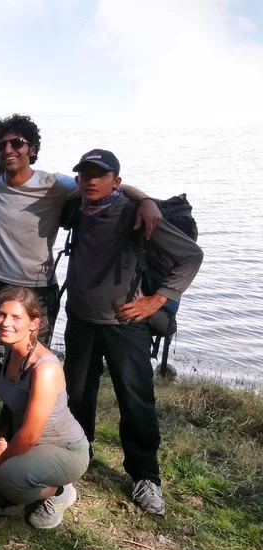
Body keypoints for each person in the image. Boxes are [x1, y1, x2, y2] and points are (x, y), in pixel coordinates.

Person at [0, 114, 161, 354]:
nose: (8, 149)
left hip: (38, 287)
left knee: (34, 356)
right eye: (1, 145)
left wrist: (145, 200)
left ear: (32, 149)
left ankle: (38, 392)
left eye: (17, 143)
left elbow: (107, 188)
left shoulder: (54, 184)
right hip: (1, 283)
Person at [63, 150, 202, 516]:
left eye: (100, 174)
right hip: (81, 321)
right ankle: (77, 458)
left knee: (136, 401)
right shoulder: (78, 208)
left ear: (116, 181)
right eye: (85, 174)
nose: (90, 180)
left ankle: (146, 476)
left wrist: (155, 301)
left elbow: (191, 256)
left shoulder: (134, 214)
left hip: (126, 326)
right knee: (77, 396)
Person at [0, 287, 90, 529]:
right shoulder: (11, 348)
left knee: (7, 477)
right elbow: (11, 407)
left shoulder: (45, 369)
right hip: (30, 446)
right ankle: (22, 484)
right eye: (2, 315)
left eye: (16, 318)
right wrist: (1, 441)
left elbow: (28, 436)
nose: (6, 323)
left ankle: (58, 493)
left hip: (65, 449)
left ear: (34, 323)